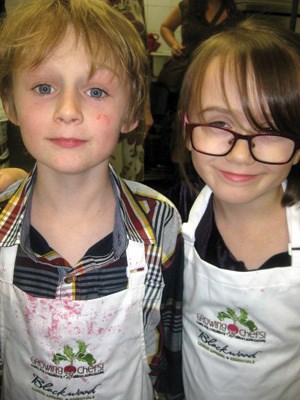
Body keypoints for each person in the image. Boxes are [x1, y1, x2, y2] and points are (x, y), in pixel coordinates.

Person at [0, 1, 184, 399]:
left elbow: (173, 345)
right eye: (44, 87)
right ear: (9, 102)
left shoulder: (161, 223)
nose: (68, 111)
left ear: (132, 111)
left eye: (96, 90)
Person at [176, 18, 300, 399]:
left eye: (269, 128)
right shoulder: (180, 212)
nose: (241, 154)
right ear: (186, 127)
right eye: (218, 123)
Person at [109, 0, 153, 181]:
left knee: (128, 175)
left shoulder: (134, 2)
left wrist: (146, 107)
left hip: (130, 100)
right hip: (91, 102)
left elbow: (142, 55)